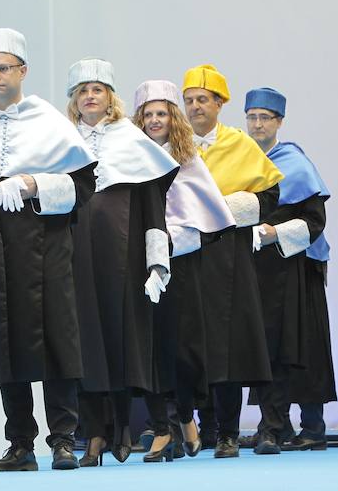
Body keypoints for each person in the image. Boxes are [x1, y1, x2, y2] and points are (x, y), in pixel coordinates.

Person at [0, 28, 97, 472]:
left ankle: (64, 439)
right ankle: (19, 442)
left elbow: (83, 184)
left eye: (4, 69)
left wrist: (35, 183)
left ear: (23, 71)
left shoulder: (49, 121)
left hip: (43, 240)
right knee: (3, 338)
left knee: (56, 336)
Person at [64, 60, 179, 466]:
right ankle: (94, 433)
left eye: (96, 89)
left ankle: (130, 427)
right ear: (74, 101)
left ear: (110, 97)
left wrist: (156, 265)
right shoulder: (61, 140)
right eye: (81, 91)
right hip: (75, 257)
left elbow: (152, 212)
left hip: (124, 259)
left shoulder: (132, 142)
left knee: (125, 342)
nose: (89, 96)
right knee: (85, 345)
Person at [181, 64, 283, 458]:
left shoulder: (240, 144)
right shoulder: (173, 146)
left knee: (227, 346)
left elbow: (270, 197)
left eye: (203, 100)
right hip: (185, 254)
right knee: (190, 344)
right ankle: (191, 430)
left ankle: (226, 431)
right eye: (189, 101)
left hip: (227, 256)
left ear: (220, 104)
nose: (195, 107)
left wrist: (226, 209)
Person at [132, 80, 236, 461]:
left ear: (172, 118)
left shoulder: (187, 158)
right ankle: (164, 426)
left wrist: (170, 243)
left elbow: (206, 218)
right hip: (139, 265)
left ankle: (186, 418)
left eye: (162, 113)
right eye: (149, 114)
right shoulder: (130, 157)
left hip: (181, 266)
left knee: (183, 349)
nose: (155, 120)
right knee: (149, 347)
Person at [242, 87, 332, 454]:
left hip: (297, 269)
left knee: (300, 347)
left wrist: (274, 233)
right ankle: (276, 425)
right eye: (252, 117)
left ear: (279, 122)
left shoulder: (294, 162)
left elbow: (315, 220)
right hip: (261, 271)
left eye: (265, 117)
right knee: (269, 346)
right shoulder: (244, 161)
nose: (258, 123)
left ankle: (303, 427)